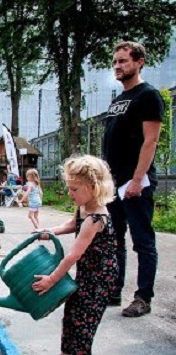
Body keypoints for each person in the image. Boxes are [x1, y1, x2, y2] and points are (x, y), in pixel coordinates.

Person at [32, 154, 118, 355]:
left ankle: (77, 351)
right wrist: (50, 231)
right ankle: (67, 351)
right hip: (87, 274)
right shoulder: (84, 207)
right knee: (71, 315)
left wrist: (51, 280)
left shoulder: (96, 218)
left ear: (93, 186)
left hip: (99, 279)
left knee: (83, 323)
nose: (70, 194)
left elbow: (73, 255)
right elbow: (72, 225)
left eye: (74, 189)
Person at [103, 41, 164, 317]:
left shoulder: (148, 95)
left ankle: (143, 297)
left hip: (135, 182)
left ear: (139, 62)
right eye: (115, 62)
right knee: (115, 239)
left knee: (142, 241)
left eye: (123, 61)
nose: (117, 66)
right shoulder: (118, 100)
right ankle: (114, 291)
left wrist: (138, 180)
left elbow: (150, 141)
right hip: (113, 184)